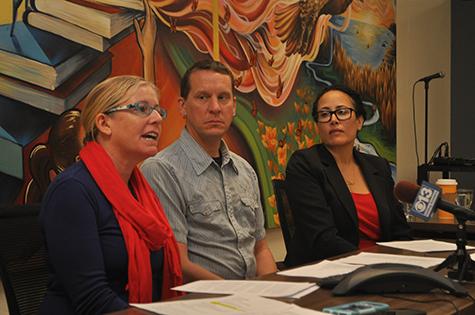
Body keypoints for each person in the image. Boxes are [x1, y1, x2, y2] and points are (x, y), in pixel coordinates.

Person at [39, 76, 183, 315]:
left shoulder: (140, 190)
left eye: (158, 110)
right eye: (142, 109)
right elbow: (92, 299)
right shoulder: (72, 191)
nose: (157, 118)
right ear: (104, 123)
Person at [141, 60, 277, 282]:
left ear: (233, 107)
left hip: (253, 298)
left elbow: (260, 250)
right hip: (204, 303)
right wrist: (242, 297)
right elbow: (178, 262)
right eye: (203, 97)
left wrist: (275, 295)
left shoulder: (245, 170)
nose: (215, 107)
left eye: (223, 98)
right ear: (182, 106)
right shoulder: (161, 170)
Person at [284, 85, 410, 267]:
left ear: (359, 121)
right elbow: (322, 239)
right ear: (318, 125)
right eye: (325, 114)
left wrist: (404, 264)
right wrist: (372, 264)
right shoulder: (305, 164)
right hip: (327, 272)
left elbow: (400, 230)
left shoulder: (378, 167)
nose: (334, 120)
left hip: (383, 269)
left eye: (342, 112)